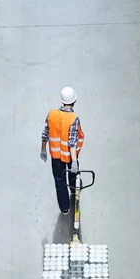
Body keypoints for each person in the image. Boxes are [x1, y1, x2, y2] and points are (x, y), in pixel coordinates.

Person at [40, 87, 85, 215]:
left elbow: (45, 134)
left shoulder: (51, 114)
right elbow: (72, 143)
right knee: (73, 173)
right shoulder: (73, 119)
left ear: (62, 101)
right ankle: (74, 189)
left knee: (59, 181)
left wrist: (43, 149)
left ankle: (64, 208)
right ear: (74, 101)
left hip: (56, 157)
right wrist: (75, 162)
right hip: (70, 156)